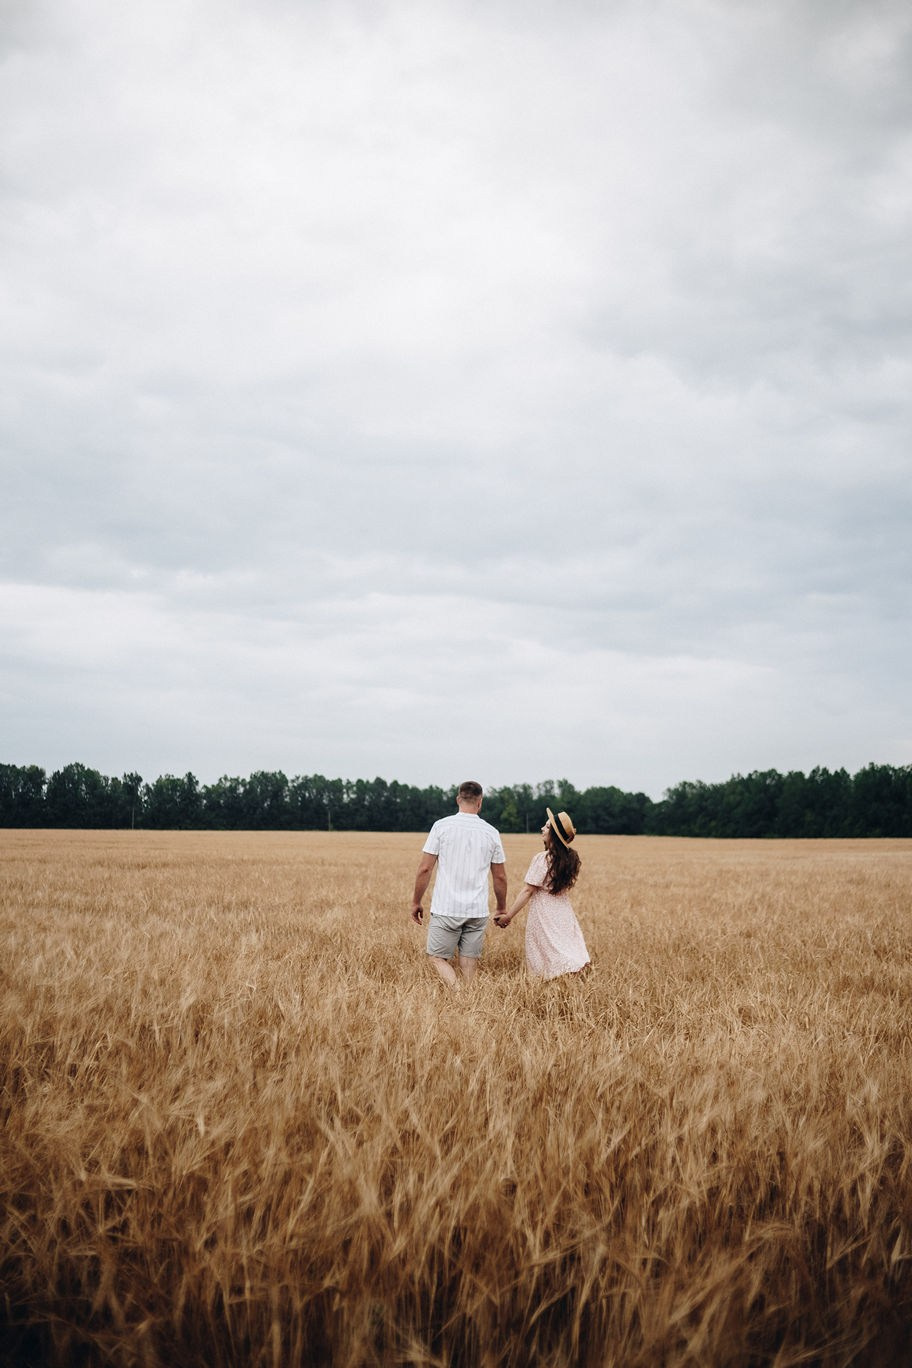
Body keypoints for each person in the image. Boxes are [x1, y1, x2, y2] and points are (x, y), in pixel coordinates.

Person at [411, 780, 507, 990]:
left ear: (458, 799)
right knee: (469, 960)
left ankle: (458, 992)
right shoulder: (491, 832)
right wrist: (501, 907)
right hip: (477, 910)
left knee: (436, 957)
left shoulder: (441, 827)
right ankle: (469, 1000)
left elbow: (425, 869)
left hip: (446, 907)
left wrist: (416, 902)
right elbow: (500, 877)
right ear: (480, 802)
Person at [494, 808, 589, 979]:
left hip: (544, 912)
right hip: (563, 911)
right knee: (563, 947)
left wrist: (508, 916)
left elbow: (528, 890)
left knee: (548, 954)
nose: (542, 829)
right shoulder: (569, 859)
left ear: (554, 834)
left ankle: (554, 984)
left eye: (547, 827)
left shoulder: (543, 859)